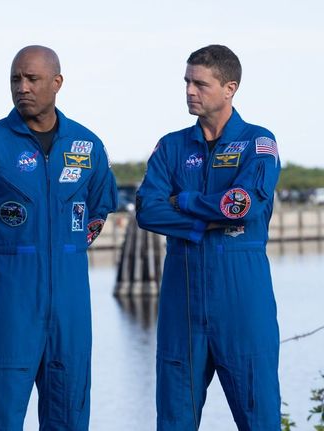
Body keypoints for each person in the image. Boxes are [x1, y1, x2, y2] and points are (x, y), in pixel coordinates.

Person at [0, 45, 118, 430]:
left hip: (71, 307)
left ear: (57, 83)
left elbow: (101, 207)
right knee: (1, 418)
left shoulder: (87, 146)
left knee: (70, 417)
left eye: (32, 79)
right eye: (15, 79)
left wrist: (66, 248)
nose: (22, 87)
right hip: (12, 305)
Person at [136, 45, 281, 430]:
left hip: (243, 302)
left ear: (229, 87)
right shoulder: (171, 146)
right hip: (181, 304)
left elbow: (242, 205)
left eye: (200, 83)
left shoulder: (258, 143)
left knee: (260, 419)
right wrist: (203, 222)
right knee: (173, 420)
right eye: (186, 81)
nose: (189, 91)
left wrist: (183, 200)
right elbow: (147, 209)